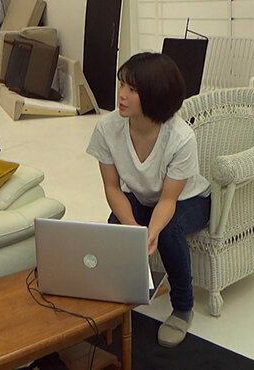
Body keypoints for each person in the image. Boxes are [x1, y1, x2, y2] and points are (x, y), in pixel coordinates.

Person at [86, 52, 211, 348]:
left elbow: (168, 200)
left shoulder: (180, 137)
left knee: (168, 231)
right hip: (142, 196)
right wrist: (132, 226)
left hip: (189, 200)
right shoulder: (107, 128)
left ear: (155, 94)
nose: (121, 95)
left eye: (132, 89)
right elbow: (112, 188)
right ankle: (124, 296)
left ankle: (183, 308)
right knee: (117, 224)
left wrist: (150, 232)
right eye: (121, 85)